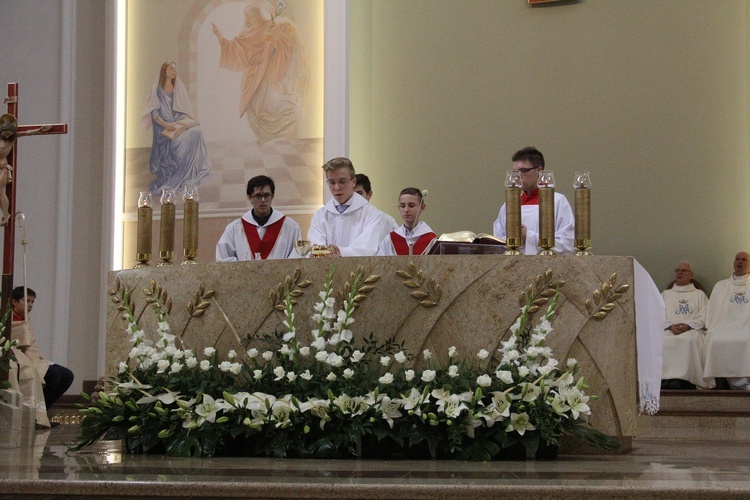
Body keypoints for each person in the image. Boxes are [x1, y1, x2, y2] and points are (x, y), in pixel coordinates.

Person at [212, 3, 309, 144]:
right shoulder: (247, 32)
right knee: (254, 106)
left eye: (250, 14)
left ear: (256, 14)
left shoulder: (270, 26)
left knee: (269, 103)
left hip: (267, 71)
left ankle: (281, 127)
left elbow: (285, 44)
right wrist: (219, 36)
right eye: (246, 15)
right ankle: (263, 136)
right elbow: (234, 47)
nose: (247, 18)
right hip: (253, 74)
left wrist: (273, 40)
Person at [142, 61, 211, 193]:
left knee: (196, 131)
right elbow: (154, 113)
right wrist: (166, 125)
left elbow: (178, 110)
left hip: (175, 124)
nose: (174, 71)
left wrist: (183, 121)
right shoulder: (157, 90)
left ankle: (191, 170)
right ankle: (179, 171)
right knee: (190, 135)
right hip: (163, 129)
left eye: (175, 68)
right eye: (171, 68)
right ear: (165, 71)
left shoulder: (176, 87)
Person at [11, 287, 74, 428]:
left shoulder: (26, 319)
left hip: (32, 357)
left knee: (67, 375)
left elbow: (31, 345)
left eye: (32, 302)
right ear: (14, 301)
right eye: (26, 301)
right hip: (18, 358)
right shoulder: (8, 318)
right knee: (53, 375)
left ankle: (41, 415)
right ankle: (32, 416)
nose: (30, 305)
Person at [492, 147, 575, 255]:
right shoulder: (509, 205)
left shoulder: (557, 202)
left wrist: (528, 236)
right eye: (515, 173)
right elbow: (497, 242)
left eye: (523, 171)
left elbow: (567, 243)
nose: (517, 177)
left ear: (539, 171)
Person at [308, 157, 394, 256]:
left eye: (342, 181)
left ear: (353, 182)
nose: (337, 187)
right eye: (332, 182)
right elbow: (315, 246)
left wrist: (340, 253)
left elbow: (368, 249)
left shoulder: (373, 215)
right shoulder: (320, 216)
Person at [216, 175, 301, 261]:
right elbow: (223, 260)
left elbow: (298, 258)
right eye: (258, 196)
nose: (263, 200)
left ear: (272, 196)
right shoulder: (234, 229)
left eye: (266, 195)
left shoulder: (290, 227)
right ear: (250, 198)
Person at [703, 252, 750, 390]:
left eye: (744, 260)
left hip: (746, 328)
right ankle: (737, 385)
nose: (740, 262)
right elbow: (710, 310)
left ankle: (743, 383)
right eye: (737, 259)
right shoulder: (721, 286)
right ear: (733, 263)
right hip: (723, 327)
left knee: (746, 340)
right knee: (715, 339)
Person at [660, 261, 708, 390]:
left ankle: (682, 380)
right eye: (677, 270)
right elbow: (658, 314)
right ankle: (665, 379)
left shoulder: (699, 294)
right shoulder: (666, 294)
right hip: (670, 329)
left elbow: (704, 315)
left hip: (691, 330)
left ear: (691, 275)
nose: (680, 272)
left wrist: (688, 325)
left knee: (689, 340)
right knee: (662, 339)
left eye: (684, 270)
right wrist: (670, 326)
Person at [377, 188, 437, 256]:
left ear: (422, 208)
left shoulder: (432, 240)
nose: (406, 210)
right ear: (399, 208)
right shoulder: (389, 240)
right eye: (402, 206)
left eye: (411, 206)